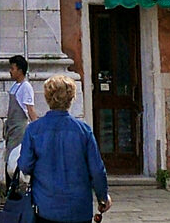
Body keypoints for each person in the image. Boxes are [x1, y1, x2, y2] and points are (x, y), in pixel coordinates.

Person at [16, 74, 109, 223]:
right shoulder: (83, 130)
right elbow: (97, 170)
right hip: (79, 209)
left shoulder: (34, 130)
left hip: (45, 206)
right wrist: (103, 197)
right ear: (71, 99)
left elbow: (25, 165)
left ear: (47, 98)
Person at [3, 54, 37, 181]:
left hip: (19, 129)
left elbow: (30, 109)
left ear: (20, 71)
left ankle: (14, 188)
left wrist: (37, 127)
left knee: (14, 158)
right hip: (11, 128)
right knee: (8, 158)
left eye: (13, 68)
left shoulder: (26, 87)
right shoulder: (14, 86)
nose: (10, 71)